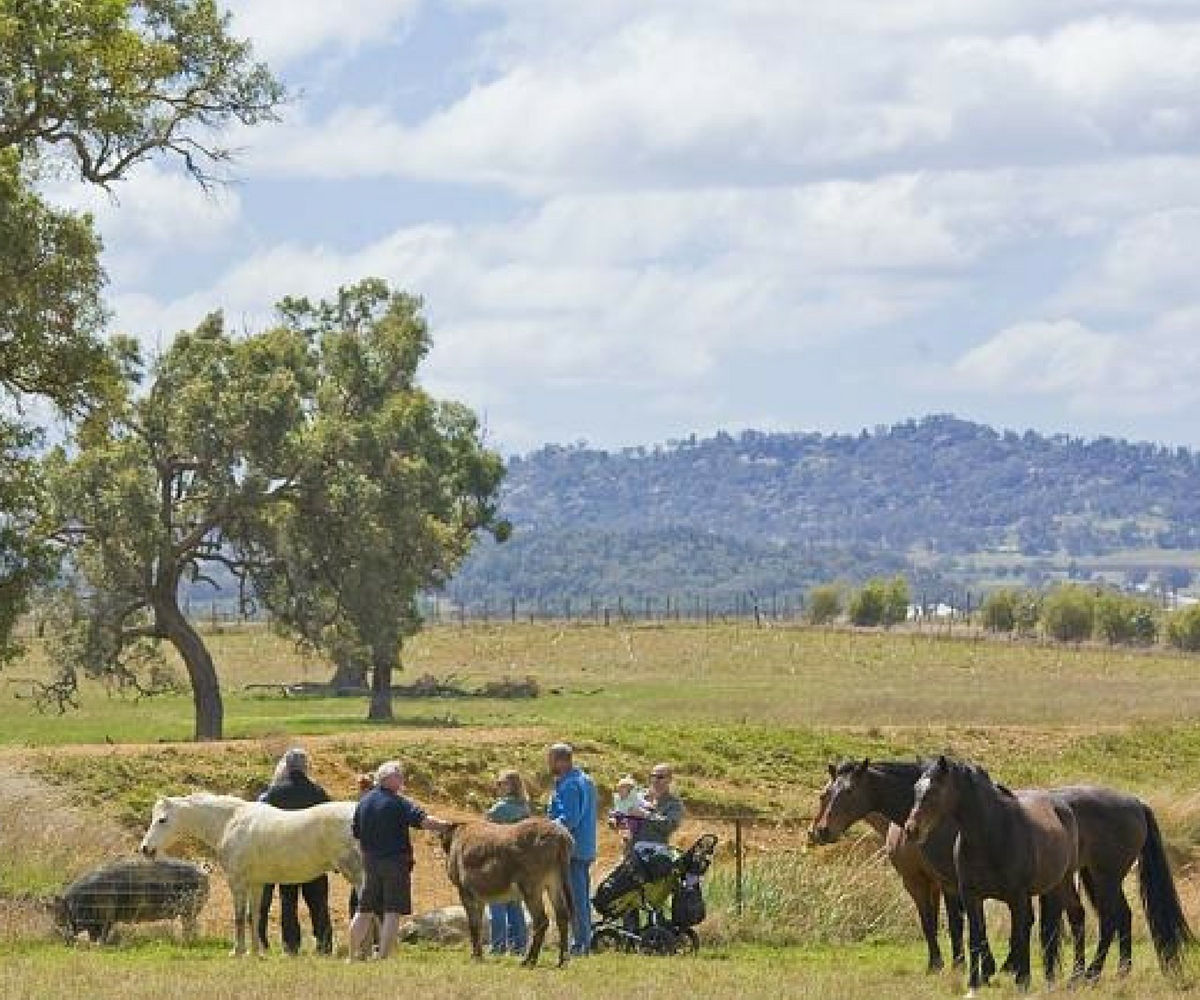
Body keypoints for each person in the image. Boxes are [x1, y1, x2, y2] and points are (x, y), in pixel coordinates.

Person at [348, 760, 452, 961]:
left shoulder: (364, 802)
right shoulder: (398, 802)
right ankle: (383, 956)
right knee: (392, 911)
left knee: (364, 910)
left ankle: (352, 956)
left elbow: (356, 833)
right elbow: (424, 821)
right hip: (395, 863)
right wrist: (447, 826)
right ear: (389, 778)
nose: (403, 780)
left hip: (370, 863)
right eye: (400, 776)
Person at [255, 747, 334, 955]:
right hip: (315, 857)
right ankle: (324, 944)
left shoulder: (274, 794)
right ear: (306, 766)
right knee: (318, 904)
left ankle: (291, 946)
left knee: (288, 904)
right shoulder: (318, 792)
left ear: (287, 767)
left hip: (285, 858)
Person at [546, 742, 597, 955]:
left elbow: (570, 819)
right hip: (584, 847)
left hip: (570, 850)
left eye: (550, 759)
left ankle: (580, 945)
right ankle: (583, 941)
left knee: (574, 898)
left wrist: (544, 828)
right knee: (581, 897)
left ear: (561, 761)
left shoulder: (569, 785)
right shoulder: (585, 780)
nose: (548, 764)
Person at [485, 769, 531, 955]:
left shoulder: (500, 808)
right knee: (515, 904)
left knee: (495, 902)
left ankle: (498, 945)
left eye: (502, 783)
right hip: (519, 862)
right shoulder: (525, 808)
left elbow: (485, 830)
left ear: (512, 786)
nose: (499, 787)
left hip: (499, 860)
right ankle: (519, 945)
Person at [636, 763, 684, 847]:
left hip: (654, 853)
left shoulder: (674, 803)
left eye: (660, 777)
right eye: (652, 776)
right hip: (630, 851)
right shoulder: (638, 796)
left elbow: (669, 826)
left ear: (669, 779)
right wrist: (615, 819)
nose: (655, 780)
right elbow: (621, 810)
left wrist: (646, 815)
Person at [608, 774, 649, 849]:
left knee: (632, 824)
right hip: (622, 814)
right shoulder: (617, 798)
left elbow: (642, 803)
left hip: (633, 816)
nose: (620, 791)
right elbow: (617, 807)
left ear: (629, 790)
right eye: (619, 789)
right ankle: (614, 823)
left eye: (623, 789)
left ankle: (628, 836)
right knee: (616, 816)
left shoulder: (634, 798)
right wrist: (614, 813)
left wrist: (647, 808)